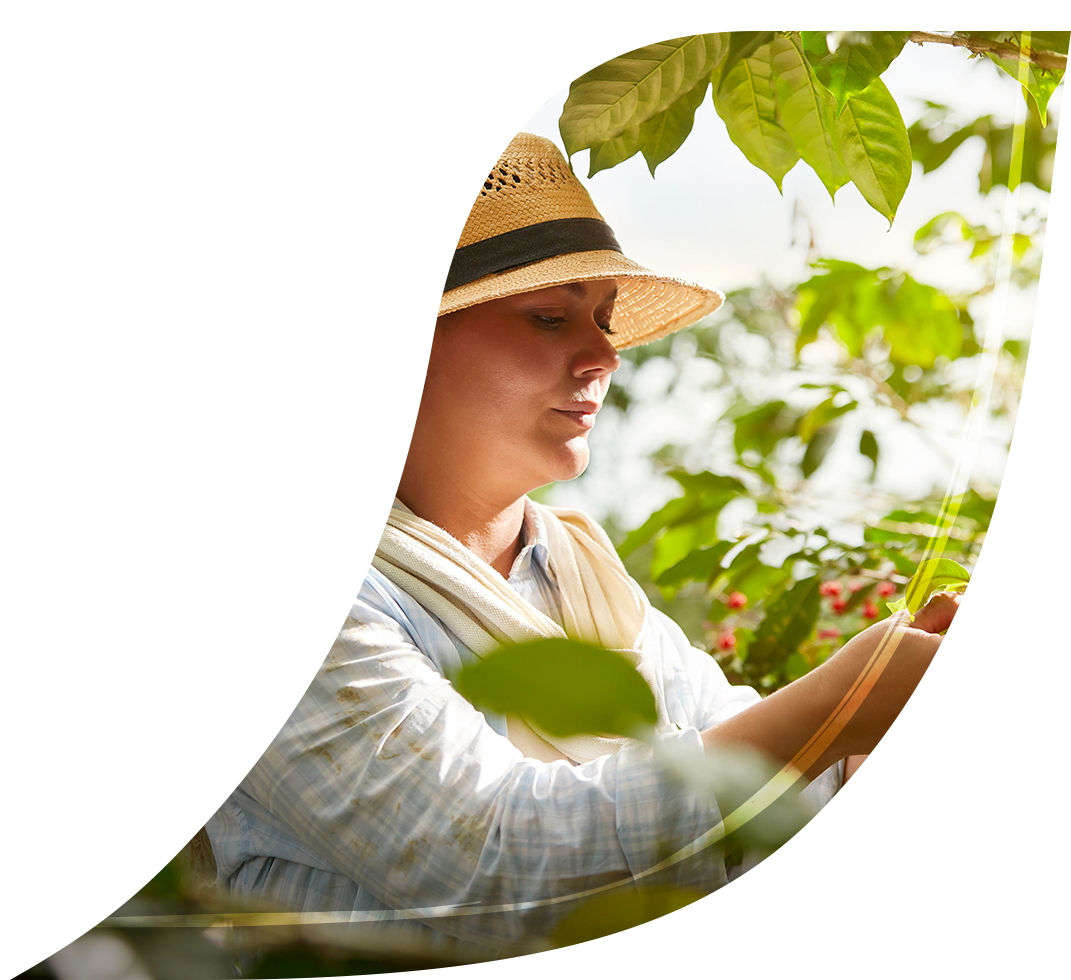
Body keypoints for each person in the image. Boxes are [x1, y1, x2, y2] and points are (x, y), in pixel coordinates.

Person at [204, 132, 958, 959]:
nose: (604, 355)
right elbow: (485, 863)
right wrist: (833, 707)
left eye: (602, 320)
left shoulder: (581, 577)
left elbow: (743, 814)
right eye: (548, 317)